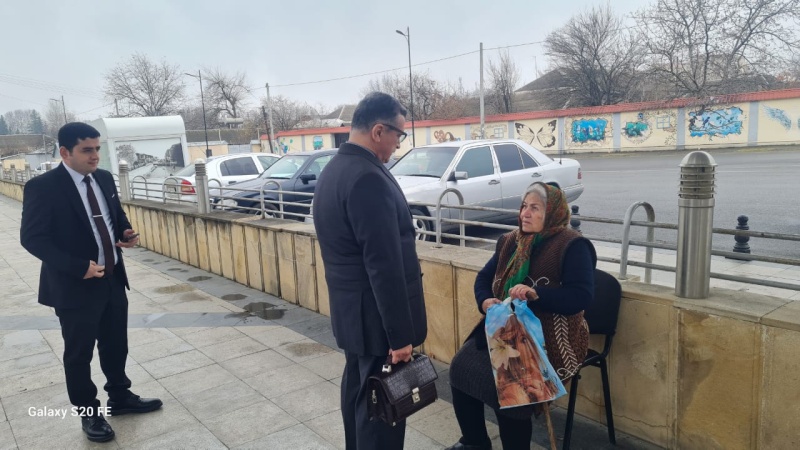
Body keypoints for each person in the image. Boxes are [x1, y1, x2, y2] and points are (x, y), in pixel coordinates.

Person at [20, 122, 162, 443]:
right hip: (74, 286)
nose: (95, 155)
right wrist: (77, 267)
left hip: (112, 278)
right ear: (65, 152)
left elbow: (115, 215)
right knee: (79, 353)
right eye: (87, 150)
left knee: (116, 343)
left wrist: (125, 233)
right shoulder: (43, 187)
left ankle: (120, 397)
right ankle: (89, 413)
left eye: (97, 149)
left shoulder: (104, 178)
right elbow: (32, 238)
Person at [313, 92, 427, 450]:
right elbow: (383, 264)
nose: (398, 144)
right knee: (381, 416)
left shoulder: (334, 170)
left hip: (353, 316)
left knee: (359, 399)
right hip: (377, 322)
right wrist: (400, 336)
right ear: (379, 131)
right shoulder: (367, 178)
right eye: (399, 135)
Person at [446, 182, 596, 450]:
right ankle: (474, 442)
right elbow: (483, 278)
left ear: (552, 212)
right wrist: (485, 301)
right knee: (460, 368)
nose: (525, 213)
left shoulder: (572, 245)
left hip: (549, 336)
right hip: (505, 328)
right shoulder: (510, 241)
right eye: (524, 206)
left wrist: (537, 294)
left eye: (535, 208)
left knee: (511, 390)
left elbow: (580, 297)